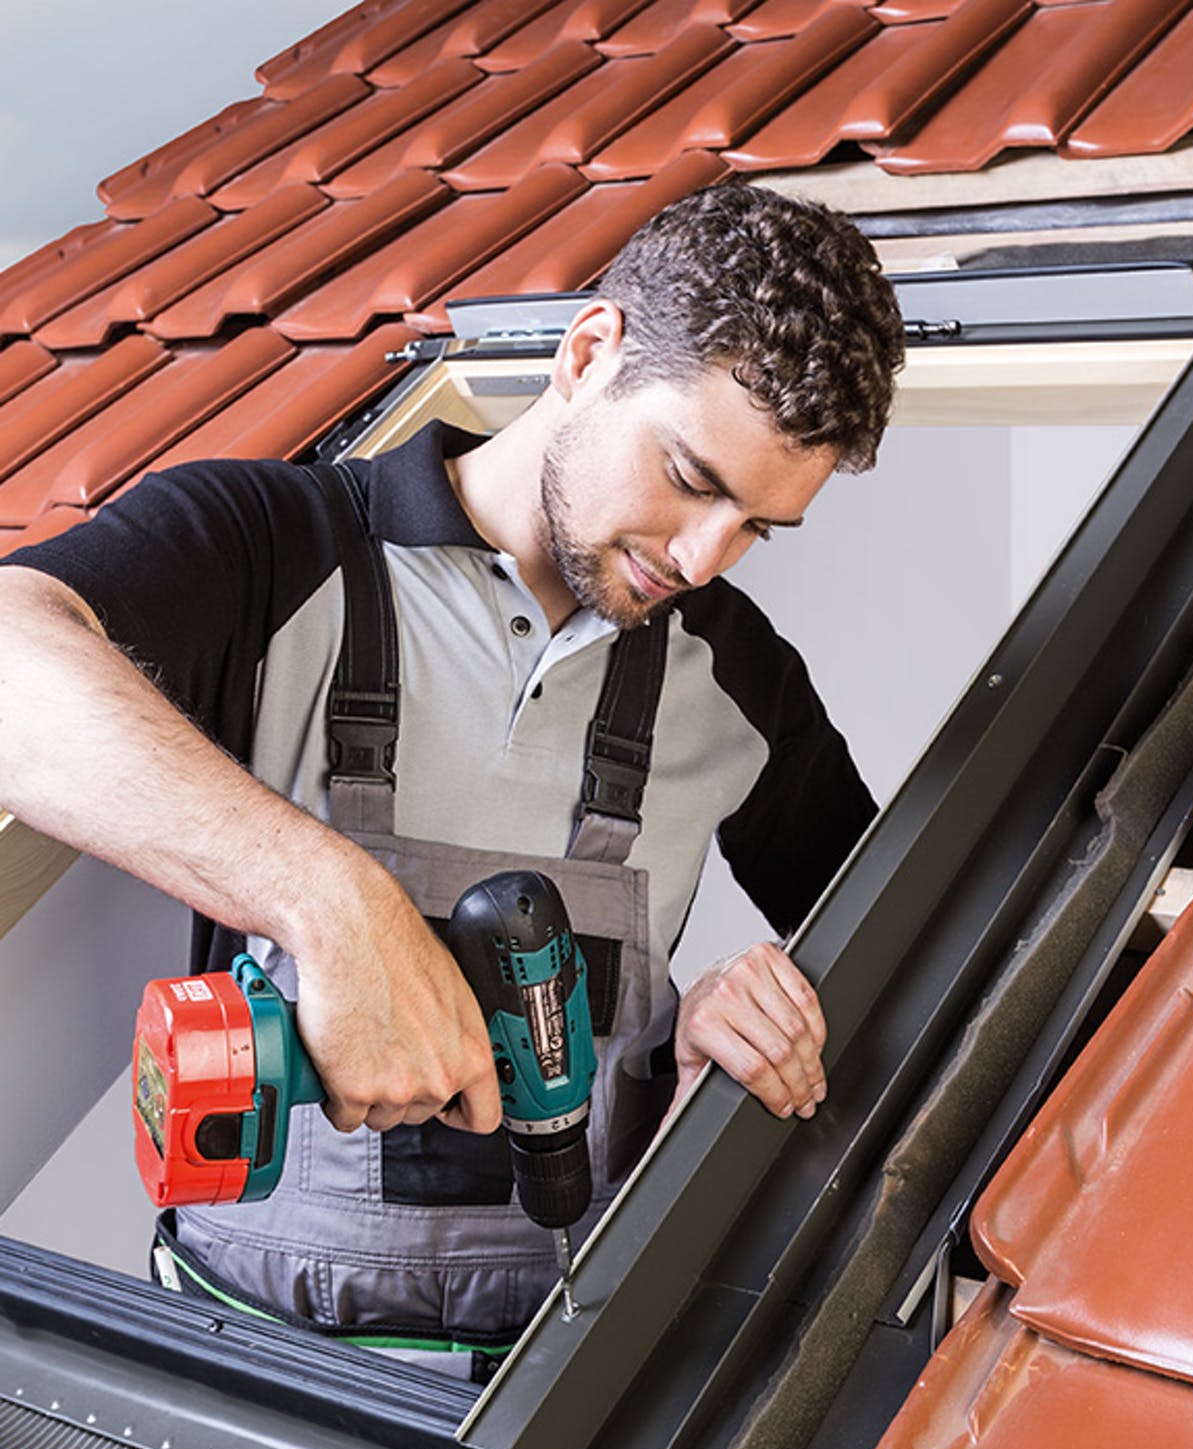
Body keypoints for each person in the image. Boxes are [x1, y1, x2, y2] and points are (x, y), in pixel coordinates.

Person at [0, 184, 906, 1358]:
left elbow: (902, 972)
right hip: (239, 1362)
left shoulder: (737, 676)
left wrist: (729, 1056)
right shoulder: (278, 545)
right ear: (590, 352)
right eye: (691, 477)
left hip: (560, 1388)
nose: (702, 557)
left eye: (756, 527)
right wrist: (331, 903)